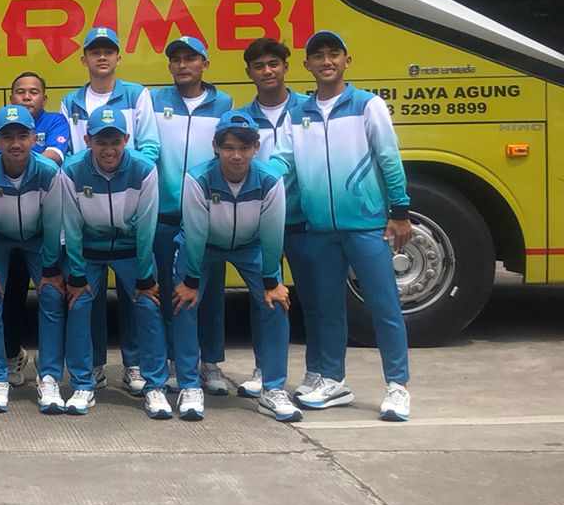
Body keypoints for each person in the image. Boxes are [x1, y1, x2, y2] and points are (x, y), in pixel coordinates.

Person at [286, 31, 413, 421]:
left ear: (346, 60)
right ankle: (333, 380)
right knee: (326, 309)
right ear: (307, 65)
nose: (326, 61)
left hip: (366, 225)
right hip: (320, 228)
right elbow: (283, 161)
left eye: (333, 54)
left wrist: (400, 210)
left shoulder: (367, 105)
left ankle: (397, 386)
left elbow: (388, 157)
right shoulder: (298, 113)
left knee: (383, 305)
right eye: (318, 56)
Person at [172, 111, 303, 423]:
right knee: (183, 301)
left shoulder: (270, 179)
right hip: (204, 246)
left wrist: (271, 281)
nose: (236, 156)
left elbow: (272, 233)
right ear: (216, 147)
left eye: (244, 148)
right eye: (229, 147)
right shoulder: (198, 178)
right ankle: (189, 385)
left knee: (276, 302)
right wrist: (191, 280)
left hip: (251, 245)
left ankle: (272, 389)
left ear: (256, 147)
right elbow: (196, 232)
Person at [59, 28, 161, 396]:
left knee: (140, 299)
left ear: (119, 56)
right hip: (88, 209)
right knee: (87, 299)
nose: (102, 57)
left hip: (126, 205)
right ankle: (94, 367)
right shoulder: (71, 101)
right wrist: (91, 173)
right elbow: (68, 152)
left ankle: (134, 365)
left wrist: (124, 176)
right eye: (94, 51)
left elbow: (150, 146)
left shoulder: (137, 94)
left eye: (108, 50)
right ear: (83, 58)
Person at [59, 107, 170, 420]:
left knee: (148, 306)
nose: (109, 149)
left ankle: (155, 386)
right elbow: (72, 225)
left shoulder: (144, 168)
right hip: (90, 250)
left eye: (115, 142)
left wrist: (145, 277)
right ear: (87, 140)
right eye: (101, 141)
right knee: (79, 305)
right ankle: (82, 384)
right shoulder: (71, 169)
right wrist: (77, 274)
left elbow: (147, 226)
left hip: (130, 249)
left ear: (126, 139)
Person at [150, 36, 234, 394]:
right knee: (169, 293)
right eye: (177, 59)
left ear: (205, 64)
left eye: (191, 58)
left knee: (210, 293)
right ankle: (174, 360)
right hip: (165, 214)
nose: (183, 65)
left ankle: (210, 363)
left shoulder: (223, 103)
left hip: (208, 215)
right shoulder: (154, 100)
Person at [0, 106, 67, 414]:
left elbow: (53, 222)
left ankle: (49, 377)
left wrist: (51, 269)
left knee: (51, 295)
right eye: (7, 137)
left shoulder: (49, 172)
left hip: (37, 238)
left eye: (22, 136)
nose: (15, 143)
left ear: (34, 139)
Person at [239, 37, 320, 398]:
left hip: (302, 220)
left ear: (286, 67)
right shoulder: (242, 118)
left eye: (274, 63)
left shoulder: (308, 109)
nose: (267, 71)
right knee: (265, 299)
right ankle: (264, 368)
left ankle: (318, 372)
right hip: (260, 223)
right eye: (259, 66)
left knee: (314, 299)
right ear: (249, 73)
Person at [1, 71, 73, 387]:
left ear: (44, 97)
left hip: (44, 231)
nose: (27, 96)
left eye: (33, 91)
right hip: (7, 229)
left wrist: (22, 163)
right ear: (12, 97)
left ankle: (50, 366)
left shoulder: (56, 122)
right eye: (20, 91)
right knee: (9, 297)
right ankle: (12, 355)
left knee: (52, 295)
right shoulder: (3, 124)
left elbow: (54, 158)